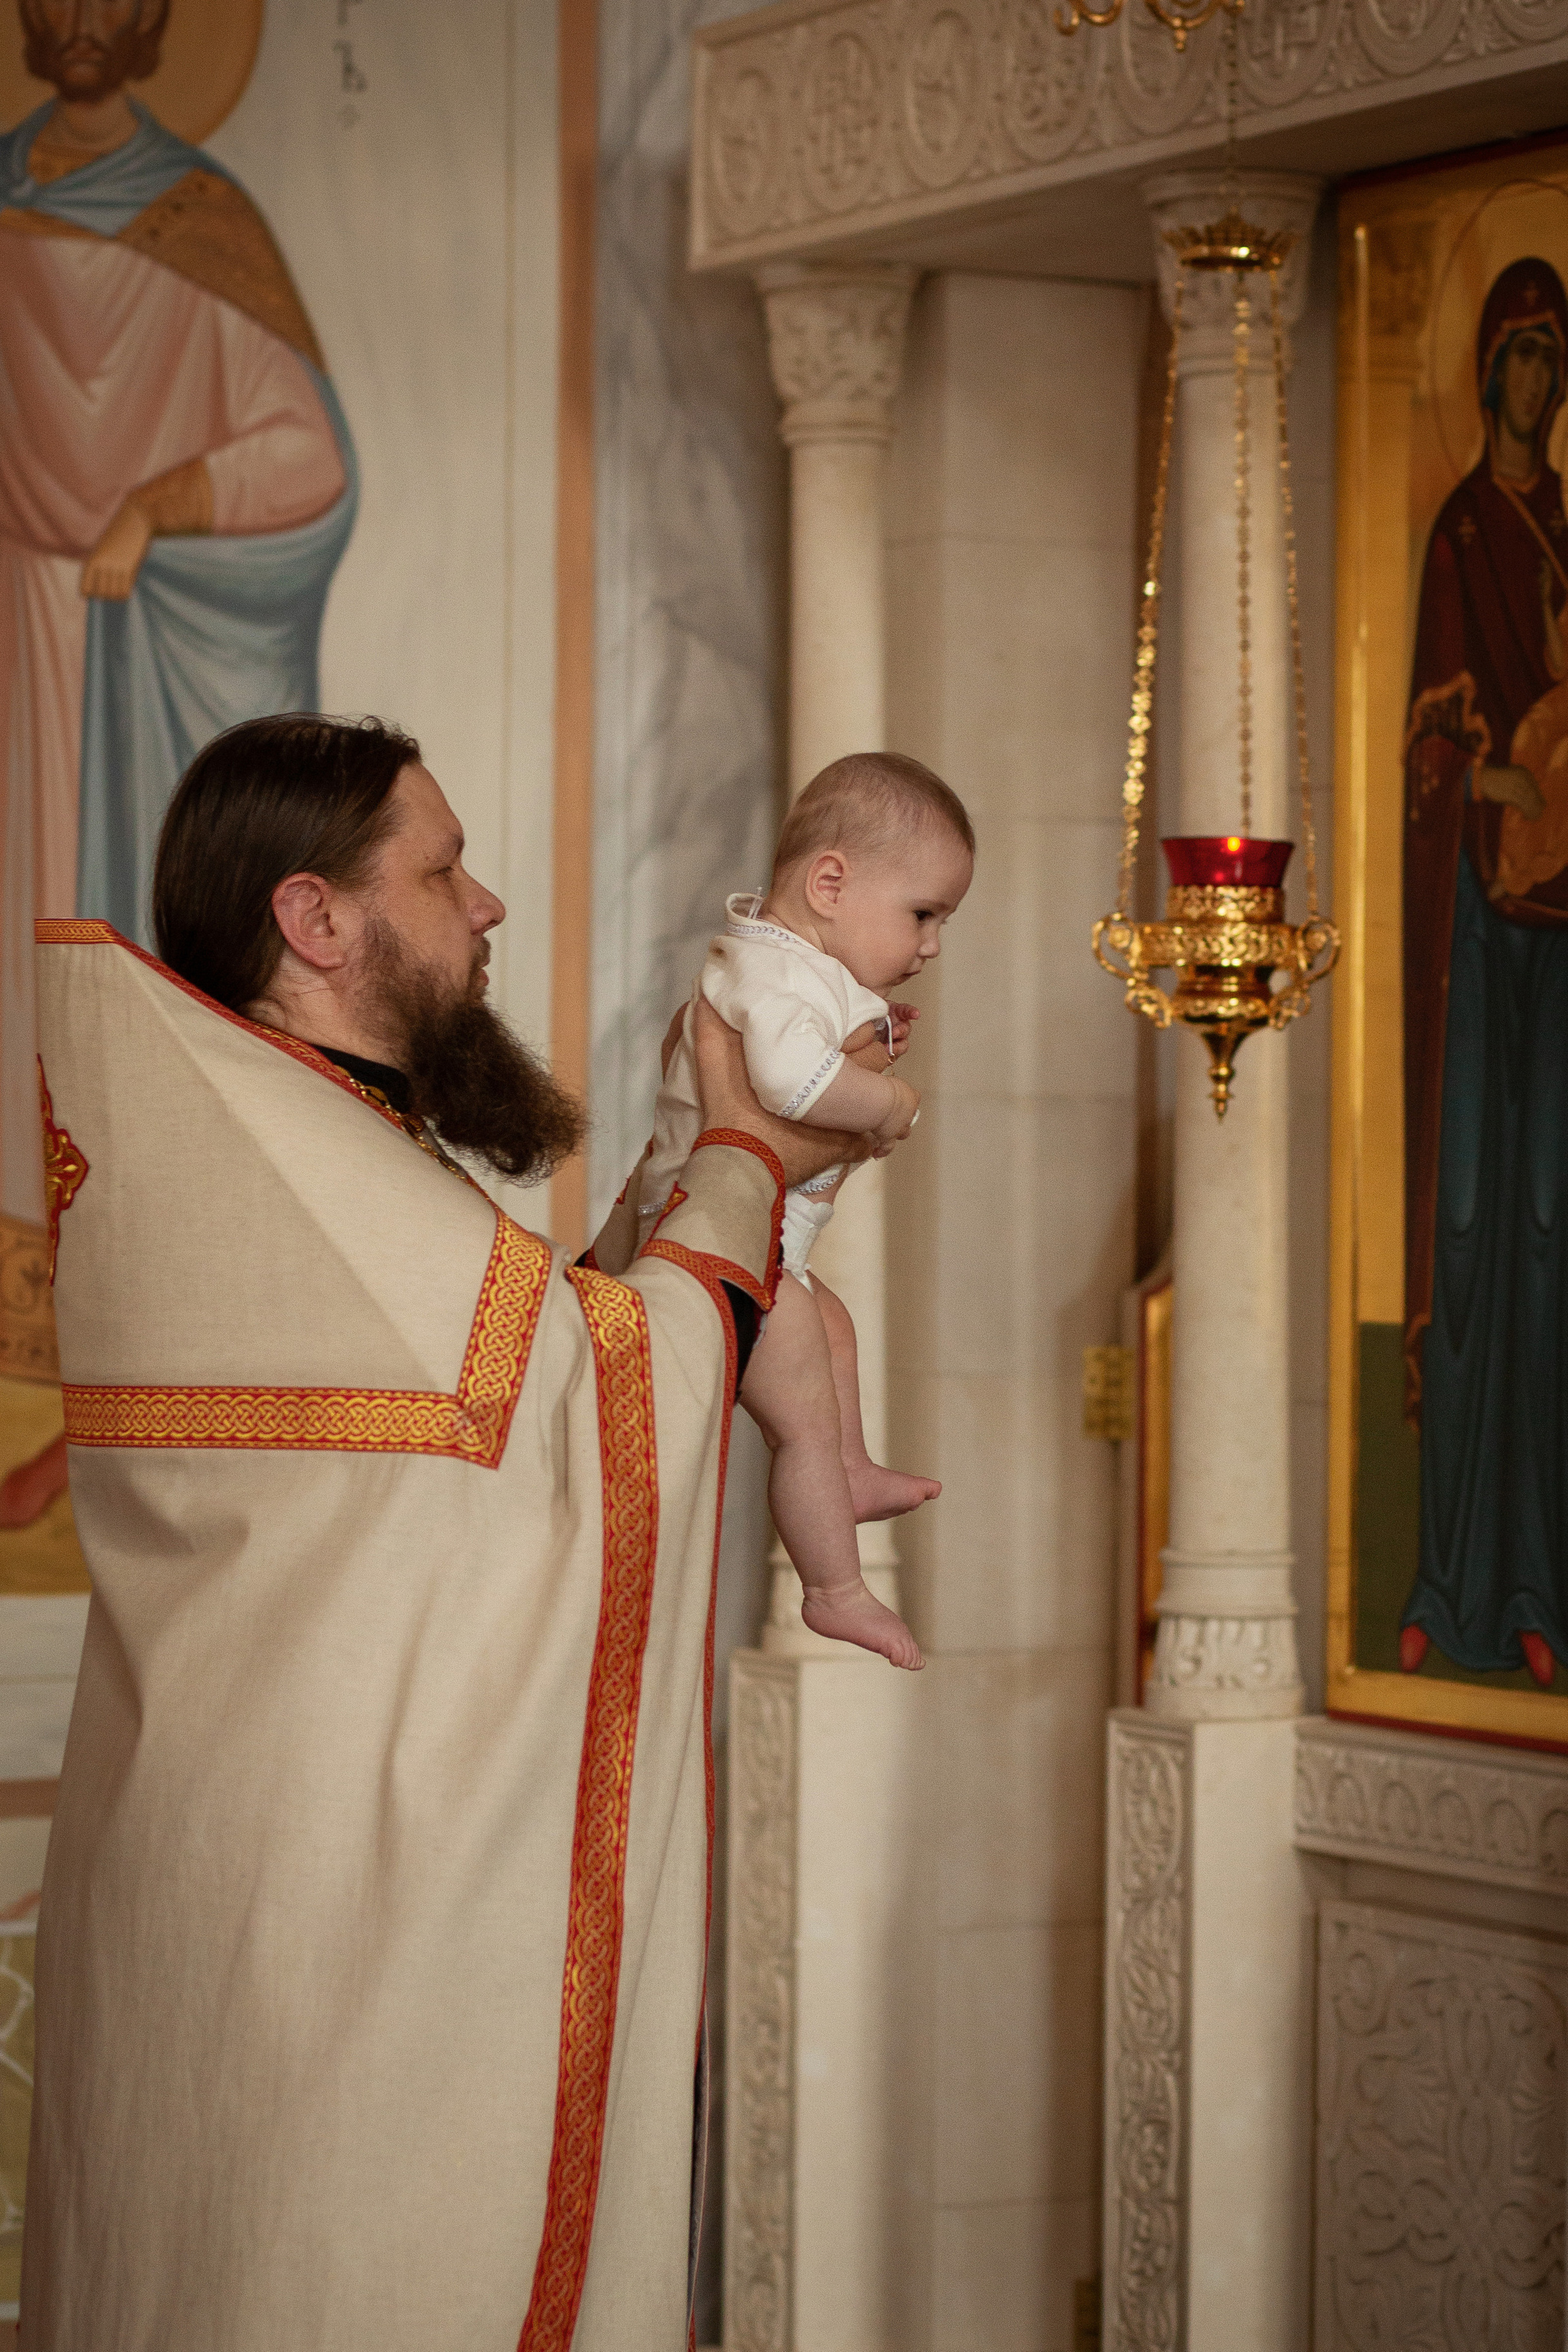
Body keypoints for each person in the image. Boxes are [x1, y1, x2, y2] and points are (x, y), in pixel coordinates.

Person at [20, 714, 883, 2352]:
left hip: (221, 1901)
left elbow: (536, 1359)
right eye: (443, 869)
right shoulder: (301, 1172)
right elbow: (608, 1408)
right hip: (326, 1954)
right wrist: (748, 1160)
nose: (485, 908)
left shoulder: (278, 1150)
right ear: (314, 920)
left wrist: (686, 1188)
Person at [0, 0, 354, 1497]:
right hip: (14, 643)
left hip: (140, 668)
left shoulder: (204, 220)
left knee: (142, 972)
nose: (80, 21)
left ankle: (137, 1375)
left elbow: (307, 456)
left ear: (157, 24)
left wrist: (158, 503)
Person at [597, 753, 973, 1673]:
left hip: (758, 1239)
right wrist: (892, 1104)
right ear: (831, 882)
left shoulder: (795, 965)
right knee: (799, 1410)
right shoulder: (768, 973)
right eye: (923, 914)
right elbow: (794, 1083)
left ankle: (849, 1469)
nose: (930, 946)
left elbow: (813, 1059)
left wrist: (866, 1038)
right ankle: (835, 1590)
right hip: (721, 1246)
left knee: (833, 1328)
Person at [1400, 257, 1568, 1686]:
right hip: (1473, 932)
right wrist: (1489, 771)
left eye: (1545, 359)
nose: (1528, 381)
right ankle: (1445, 1588)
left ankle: (1533, 1590)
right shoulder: (1461, 532)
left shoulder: (1566, 532)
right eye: (1510, 355)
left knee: (1542, 1239)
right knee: (1461, 1238)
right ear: (1483, 373)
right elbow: (1428, 743)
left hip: (1559, 929)